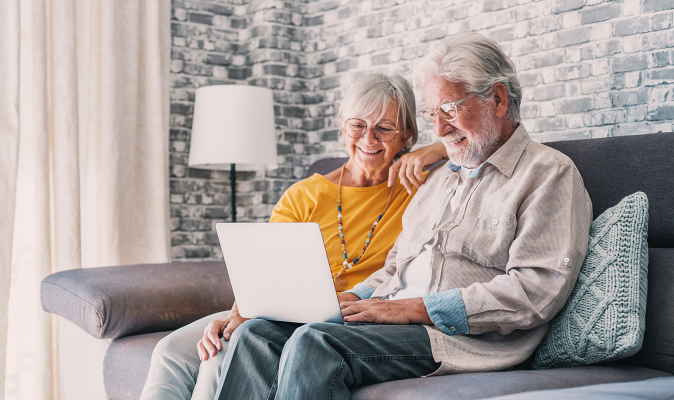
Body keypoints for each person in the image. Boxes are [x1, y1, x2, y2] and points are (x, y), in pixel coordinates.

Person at [212, 32, 594, 400]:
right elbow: (395, 268)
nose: (440, 128)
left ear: (496, 98)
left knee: (317, 341)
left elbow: (536, 291)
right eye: (432, 114)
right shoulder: (438, 180)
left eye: (449, 110)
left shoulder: (548, 174)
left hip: (454, 338)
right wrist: (347, 299)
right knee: (256, 334)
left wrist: (412, 309)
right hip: (393, 316)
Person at [139, 73, 449, 400]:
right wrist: (236, 314)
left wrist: (435, 149)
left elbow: (480, 143)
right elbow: (264, 273)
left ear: (407, 136)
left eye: (384, 128)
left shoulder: (422, 189)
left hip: (353, 315)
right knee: (170, 350)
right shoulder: (304, 194)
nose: (368, 138)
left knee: (218, 357)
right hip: (284, 309)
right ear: (343, 126)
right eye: (357, 124)